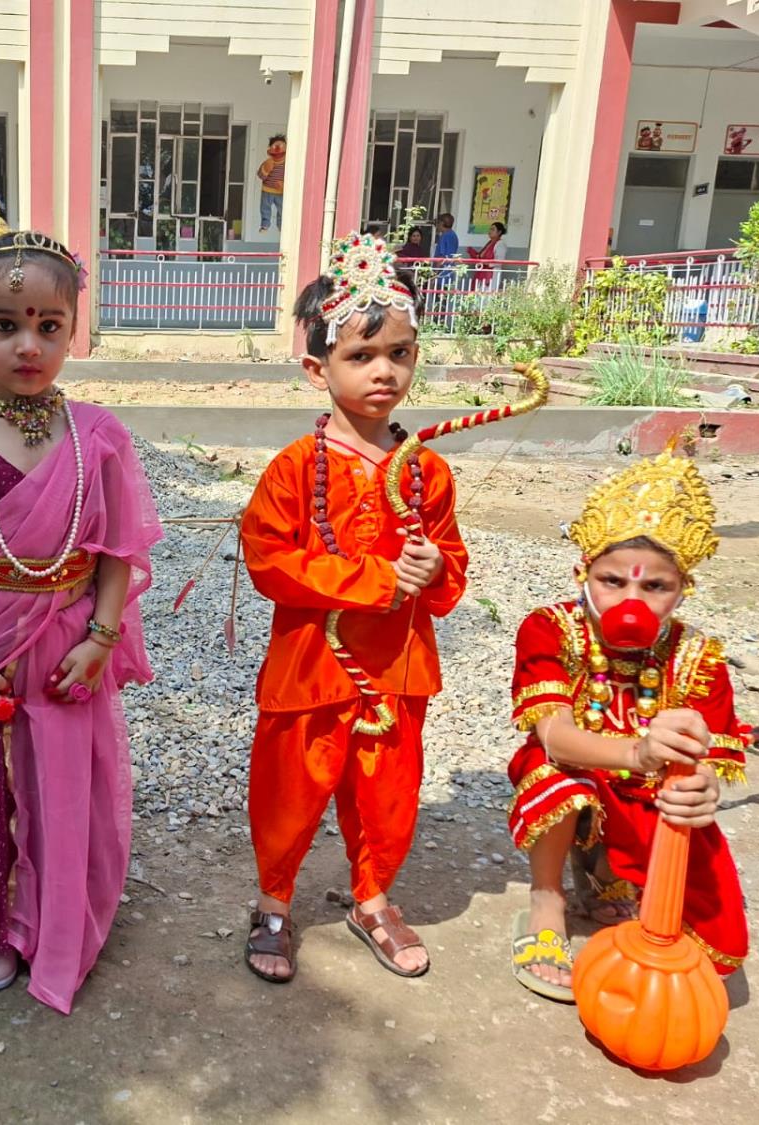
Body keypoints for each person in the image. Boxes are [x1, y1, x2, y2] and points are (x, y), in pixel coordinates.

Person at [0, 215, 162, 1014]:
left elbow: (119, 549)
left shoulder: (99, 435)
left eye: (48, 326)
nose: (28, 345)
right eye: (4, 324)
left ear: (71, 331)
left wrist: (102, 638)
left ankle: (55, 914)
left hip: (70, 647)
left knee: (64, 786)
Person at [239, 233, 469, 983]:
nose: (384, 371)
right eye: (362, 355)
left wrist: (434, 570)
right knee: (289, 791)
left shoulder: (428, 470)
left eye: (399, 353)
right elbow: (270, 560)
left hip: (397, 672)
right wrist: (377, 580)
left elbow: (451, 567)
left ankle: (372, 898)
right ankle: (274, 902)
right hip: (309, 670)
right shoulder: (294, 469)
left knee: (389, 795)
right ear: (318, 368)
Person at [506, 445, 748, 1003]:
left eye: (654, 587)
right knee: (553, 774)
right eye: (612, 581)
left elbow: (712, 758)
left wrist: (701, 788)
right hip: (577, 773)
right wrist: (637, 754)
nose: (630, 598)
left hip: (647, 793)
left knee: (717, 943)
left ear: (683, 589)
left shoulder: (699, 656)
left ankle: (605, 877)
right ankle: (547, 900)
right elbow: (552, 734)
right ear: (583, 574)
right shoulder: (551, 629)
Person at [257, 134, 288, 233]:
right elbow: (260, 175)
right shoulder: (267, 162)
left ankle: (281, 226)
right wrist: (266, 170)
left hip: (280, 191)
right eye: (275, 146)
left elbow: (291, 176)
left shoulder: (288, 164)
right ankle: (265, 225)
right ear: (269, 149)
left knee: (282, 209)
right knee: (265, 208)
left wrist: (284, 184)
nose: (278, 149)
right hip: (267, 190)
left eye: (281, 146)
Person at [472, 222, 507, 290]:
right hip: (483, 272)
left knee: (488, 292)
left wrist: (486, 263)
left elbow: (500, 261)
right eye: (490, 229)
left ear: (499, 232)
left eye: (493, 229)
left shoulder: (500, 244)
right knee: (479, 291)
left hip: (492, 273)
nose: (490, 231)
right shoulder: (490, 242)